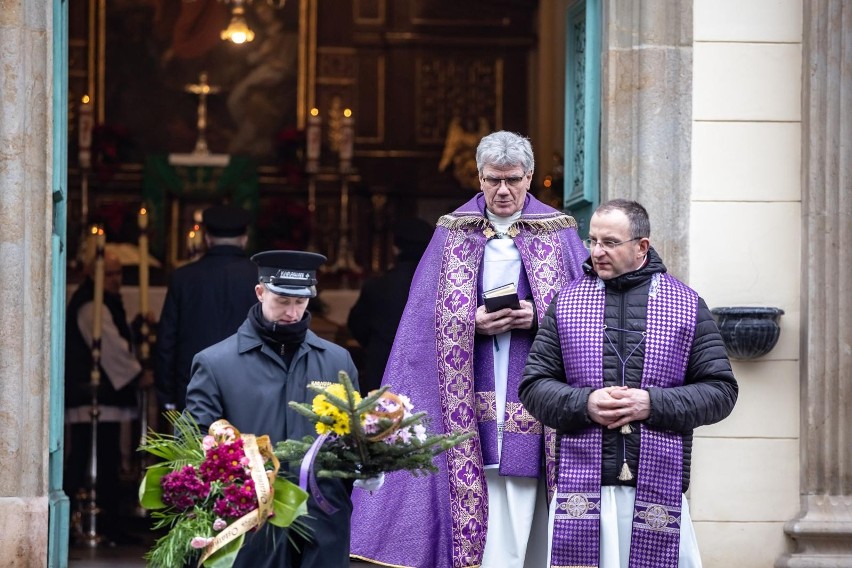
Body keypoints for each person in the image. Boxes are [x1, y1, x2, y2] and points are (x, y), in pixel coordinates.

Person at [350, 130, 588, 568]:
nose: (503, 190)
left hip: (531, 390)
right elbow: (420, 323)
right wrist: (467, 322)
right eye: (493, 180)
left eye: (513, 180)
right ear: (478, 178)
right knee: (479, 483)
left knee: (525, 502)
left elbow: (585, 312)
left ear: (530, 177)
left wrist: (537, 317)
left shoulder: (560, 231)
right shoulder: (451, 232)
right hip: (470, 392)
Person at [518, 199, 739, 568]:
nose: (597, 252)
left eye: (609, 242)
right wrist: (585, 403)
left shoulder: (686, 304)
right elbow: (534, 386)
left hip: (658, 488)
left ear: (641, 247)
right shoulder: (567, 302)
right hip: (583, 486)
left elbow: (721, 391)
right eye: (592, 241)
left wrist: (652, 404)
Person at [185, 250, 359, 568]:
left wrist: (365, 466)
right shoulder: (214, 363)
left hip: (324, 526)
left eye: (300, 301)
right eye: (281, 300)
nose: (292, 312)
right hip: (249, 525)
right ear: (260, 291)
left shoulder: (337, 361)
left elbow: (352, 435)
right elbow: (194, 446)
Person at [64, 250, 151, 544]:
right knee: (91, 458)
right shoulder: (91, 305)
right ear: (94, 274)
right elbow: (110, 348)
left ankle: (108, 522)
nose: (117, 281)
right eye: (110, 275)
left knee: (108, 457)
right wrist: (138, 375)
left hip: (102, 397)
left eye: (119, 275)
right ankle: (92, 522)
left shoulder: (102, 302)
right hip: (92, 397)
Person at [155, 204, 258, 412]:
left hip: (194, 390)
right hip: (251, 391)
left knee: (195, 445)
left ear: (207, 238)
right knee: (248, 445)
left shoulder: (183, 278)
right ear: (244, 238)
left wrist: (167, 396)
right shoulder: (260, 276)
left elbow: (167, 341)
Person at [347, 216, 433, 396]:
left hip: (383, 369)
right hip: (428, 373)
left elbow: (357, 325)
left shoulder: (378, 285)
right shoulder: (442, 285)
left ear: (396, 248)